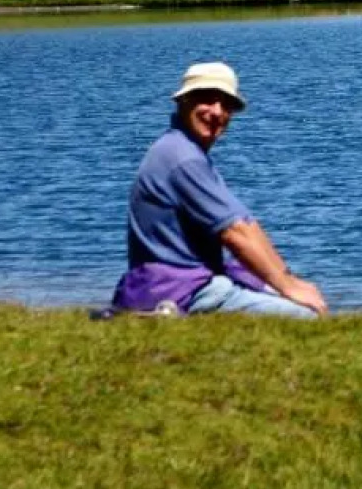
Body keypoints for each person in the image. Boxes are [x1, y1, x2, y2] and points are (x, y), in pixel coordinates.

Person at [110, 62, 328, 318]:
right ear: (183, 102)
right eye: (206, 100)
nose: (217, 112)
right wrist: (289, 288)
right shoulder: (183, 159)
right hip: (182, 290)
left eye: (226, 105)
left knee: (286, 294)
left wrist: (289, 281)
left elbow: (246, 225)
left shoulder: (183, 150)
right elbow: (235, 234)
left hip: (181, 283)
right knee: (308, 317)